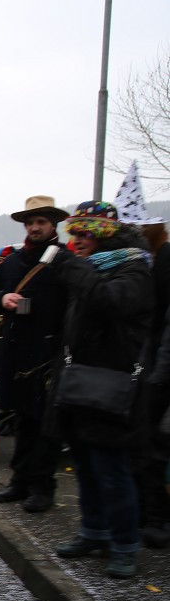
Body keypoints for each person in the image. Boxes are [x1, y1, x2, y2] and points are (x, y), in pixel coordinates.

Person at [41, 201, 152, 578]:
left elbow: (111, 302)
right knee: (86, 464)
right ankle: (93, 531)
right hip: (80, 382)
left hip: (112, 385)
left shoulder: (133, 267)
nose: (78, 240)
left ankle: (124, 545)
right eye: (75, 234)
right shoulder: (90, 269)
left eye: (86, 233)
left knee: (112, 469)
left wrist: (72, 268)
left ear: (106, 235)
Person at [0, 195, 71, 514]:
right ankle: (19, 481)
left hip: (49, 357)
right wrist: (2, 298)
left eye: (41, 222)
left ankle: (42, 487)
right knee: (22, 421)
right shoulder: (14, 262)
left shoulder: (66, 261)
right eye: (30, 222)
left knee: (46, 425)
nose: (34, 227)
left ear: (53, 225)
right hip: (16, 352)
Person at [114, 165, 170, 548]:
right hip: (147, 364)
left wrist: (157, 372)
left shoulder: (161, 261)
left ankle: (156, 520)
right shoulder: (152, 260)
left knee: (149, 446)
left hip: (156, 368)